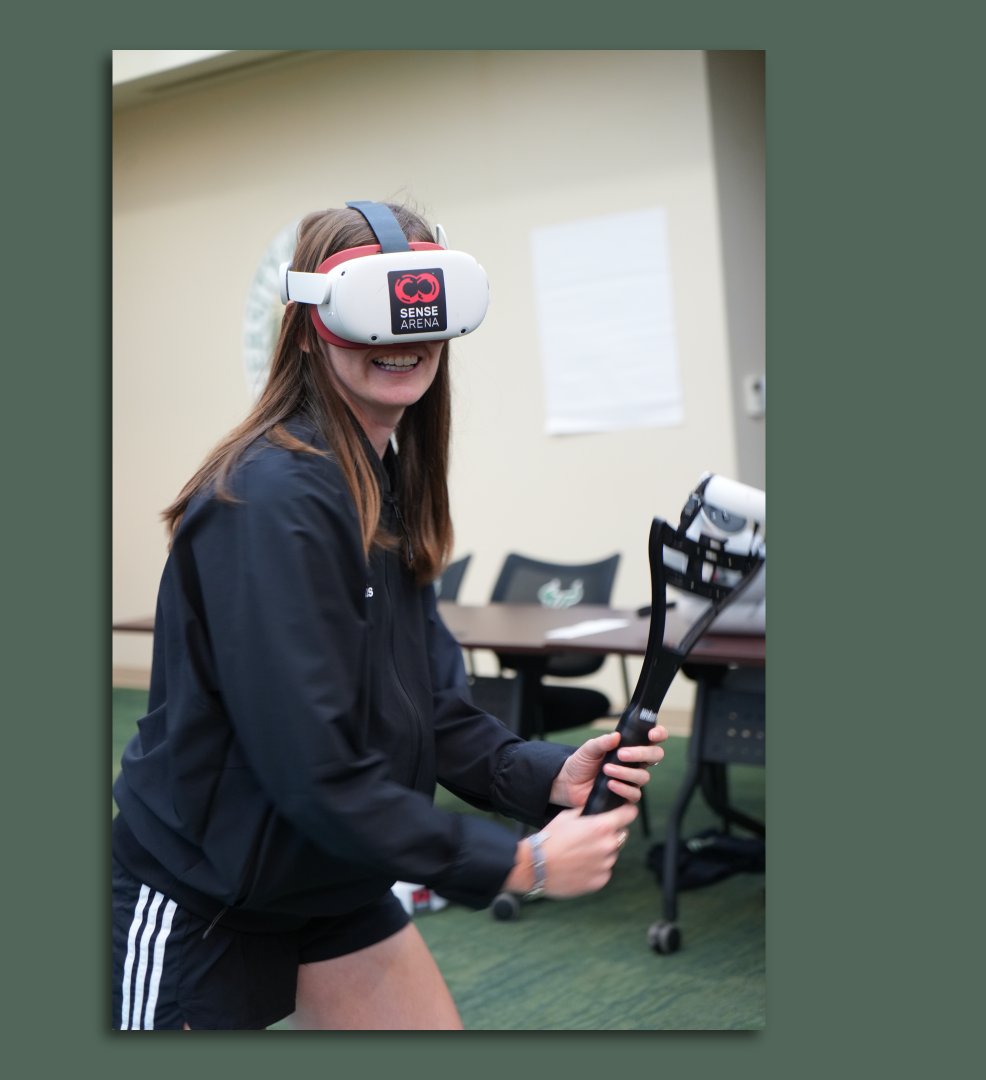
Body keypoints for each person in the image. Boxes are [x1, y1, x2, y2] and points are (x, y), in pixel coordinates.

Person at [111, 202, 667, 1030]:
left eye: (424, 313)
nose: (400, 340)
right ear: (309, 330)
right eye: (370, 314)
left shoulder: (386, 482)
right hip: (206, 894)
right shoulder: (268, 501)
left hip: (333, 877)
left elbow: (429, 707)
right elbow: (315, 767)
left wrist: (540, 774)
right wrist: (519, 864)